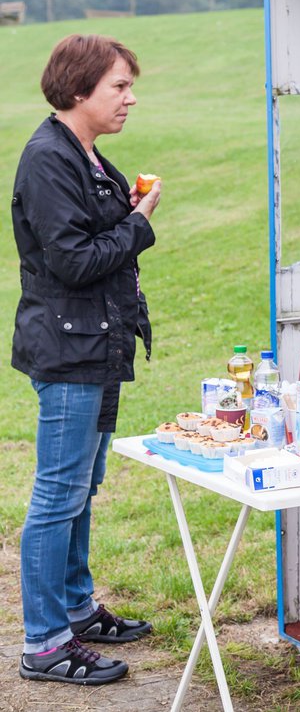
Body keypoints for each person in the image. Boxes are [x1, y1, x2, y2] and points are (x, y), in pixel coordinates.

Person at [13, 35, 162, 685]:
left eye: (130, 85)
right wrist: (140, 222)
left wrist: (123, 212)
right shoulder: (49, 159)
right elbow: (73, 262)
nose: (131, 97)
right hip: (70, 352)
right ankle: (45, 643)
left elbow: (86, 238)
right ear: (79, 91)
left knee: (81, 490)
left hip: (97, 349)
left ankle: (75, 610)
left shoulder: (88, 157)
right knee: (57, 496)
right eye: (119, 86)